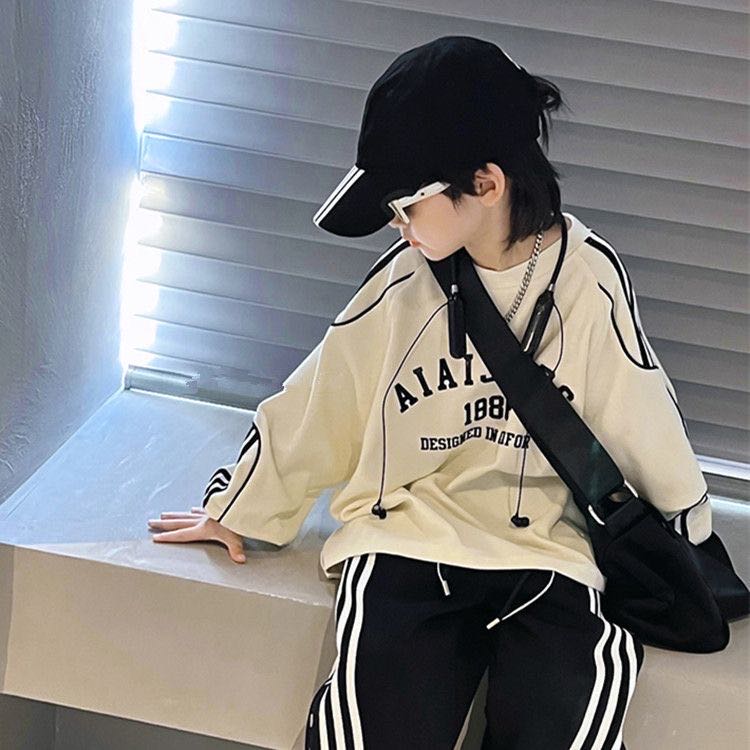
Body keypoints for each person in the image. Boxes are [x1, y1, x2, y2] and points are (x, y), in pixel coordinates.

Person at [146, 36, 713, 749]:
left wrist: (688, 528)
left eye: (407, 205)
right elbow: (323, 398)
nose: (397, 224)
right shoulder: (404, 282)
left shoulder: (587, 279)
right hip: (407, 541)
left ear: (486, 184)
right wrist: (238, 508)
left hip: (549, 554)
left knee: (564, 727)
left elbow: (640, 409)